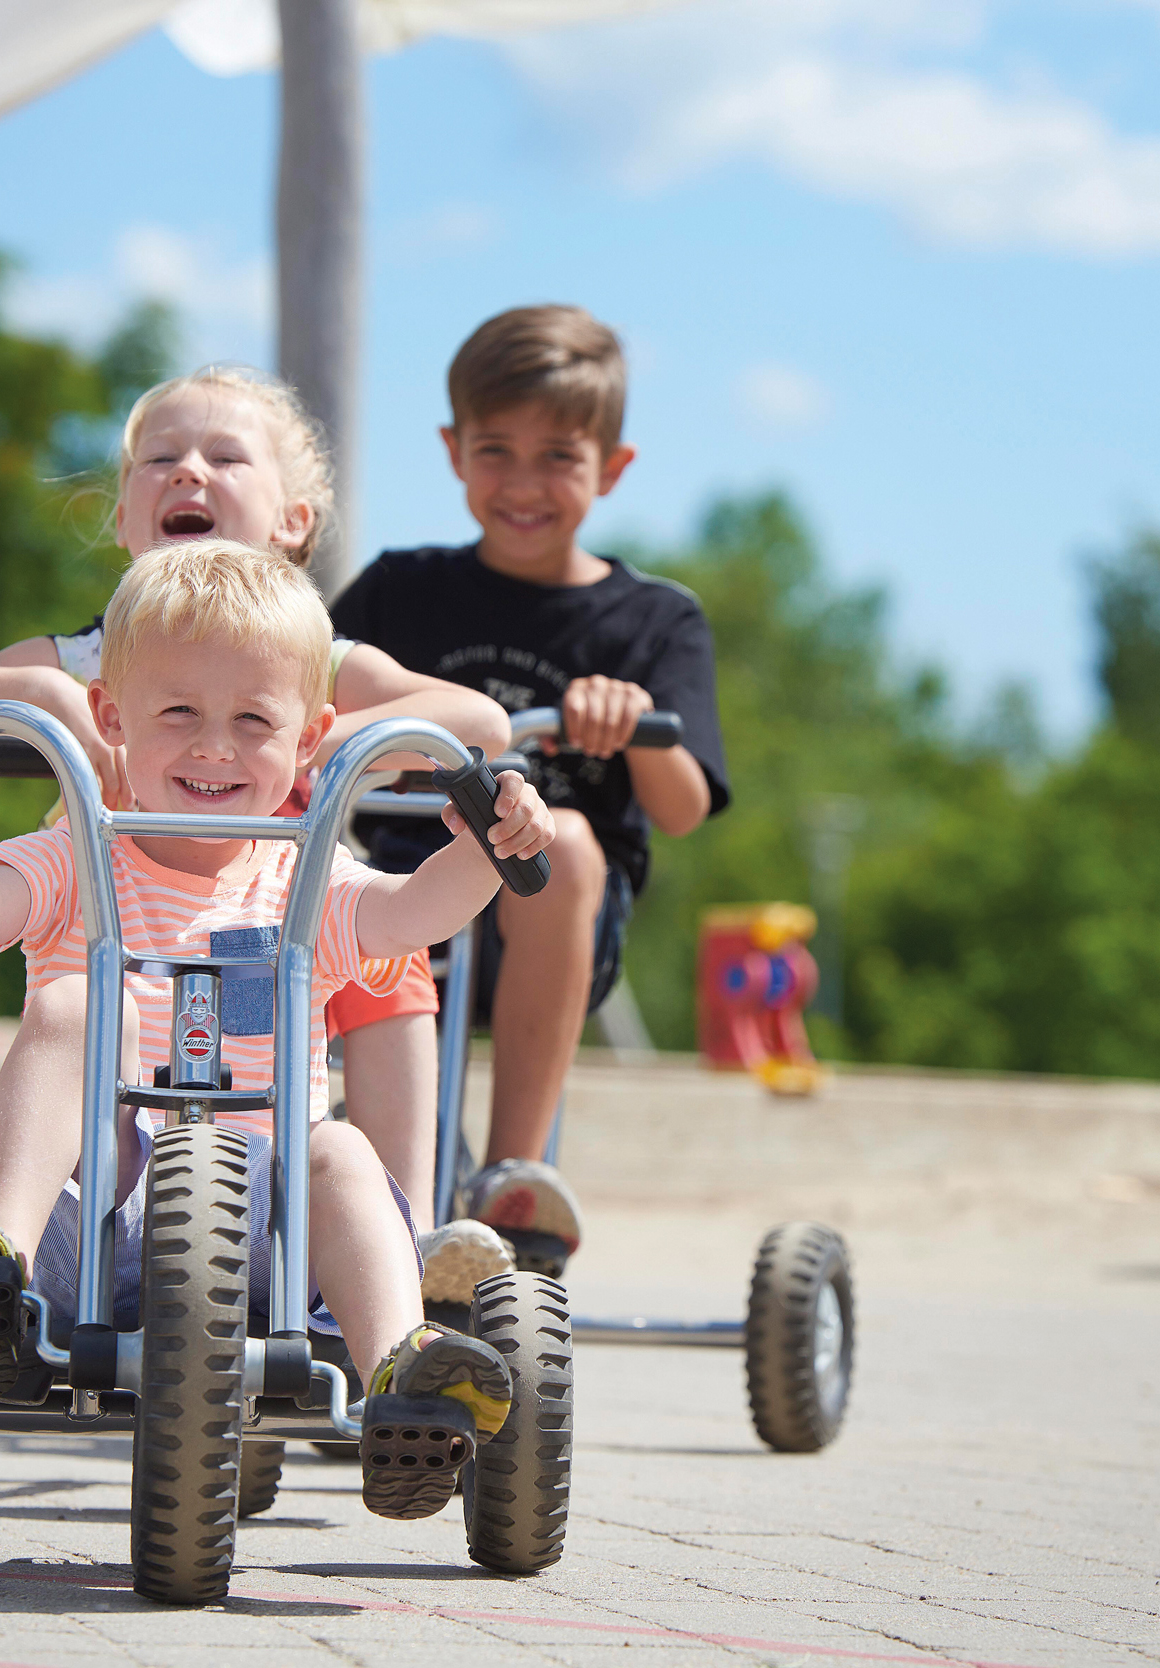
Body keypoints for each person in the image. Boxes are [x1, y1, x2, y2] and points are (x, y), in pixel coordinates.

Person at [0, 541, 553, 1519]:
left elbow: (414, 914)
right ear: (110, 718)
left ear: (309, 737)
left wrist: (492, 845)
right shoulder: (79, 855)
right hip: (94, 1224)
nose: (214, 748)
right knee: (71, 1006)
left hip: (275, 1246)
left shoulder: (304, 877)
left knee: (343, 1151)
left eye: (251, 721)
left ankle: (405, 1370)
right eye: (180, 713)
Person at [0, 366, 514, 1303]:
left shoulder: (313, 657)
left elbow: (479, 726)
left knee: (384, 976)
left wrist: (322, 751)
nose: (189, 474)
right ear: (124, 516)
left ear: (292, 519)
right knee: (81, 1006)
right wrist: (41, 705)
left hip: (286, 894)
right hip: (118, 885)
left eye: (224, 457)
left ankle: (402, 1246)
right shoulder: (90, 658)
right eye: (160, 459)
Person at [332, 305, 731, 1276]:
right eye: (495, 451)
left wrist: (633, 724)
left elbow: (682, 809)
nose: (522, 483)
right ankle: (385, 1229)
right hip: (399, 908)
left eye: (558, 456)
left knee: (571, 841)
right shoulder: (399, 592)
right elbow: (302, 709)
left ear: (613, 468)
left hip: (550, 933)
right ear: (453, 451)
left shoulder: (651, 621)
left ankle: (513, 1176)